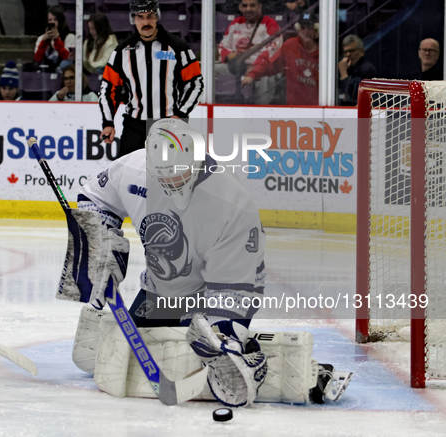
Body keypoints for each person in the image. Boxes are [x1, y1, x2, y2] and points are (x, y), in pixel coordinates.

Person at [68, 118, 351, 406]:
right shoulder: (131, 169)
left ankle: (300, 371)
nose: (172, 183)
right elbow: (94, 198)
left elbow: (235, 284)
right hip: (161, 290)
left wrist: (222, 334)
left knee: (212, 352)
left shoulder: (230, 201)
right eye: (163, 177)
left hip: (219, 290)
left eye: (180, 174)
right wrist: (97, 246)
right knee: (126, 353)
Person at [98, 0, 204, 158]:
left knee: (169, 179)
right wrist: (108, 123)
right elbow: (108, 89)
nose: (146, 22)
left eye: (150, 16)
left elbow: (196, 83)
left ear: (157, 17)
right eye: (140, 17)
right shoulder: (121, 52)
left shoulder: (178, 48)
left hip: (169, 126)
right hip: (134, 128)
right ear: (133, 19)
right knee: (127, 178)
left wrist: (180, 114)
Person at [241, 13, 319, 106]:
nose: (306, 32)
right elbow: (271, 65)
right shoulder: (290, 46)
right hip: (293, 107)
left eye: (309, 27)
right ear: (298, 29)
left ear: (316, 29)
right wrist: (252, 75)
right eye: (302, 27)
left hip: (319, 108)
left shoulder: (326, 52)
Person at [217, 0, 283, 104]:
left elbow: (271, 53)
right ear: (240, 7)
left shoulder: (270, 24)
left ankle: (260, 112)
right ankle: (208, 105)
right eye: (245, 5)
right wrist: (230, 55)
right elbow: (222, 46)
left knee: (264, 78)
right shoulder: (235, 23)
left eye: (252, 5)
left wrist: (255, 67)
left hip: (261, 67)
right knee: (212, 70)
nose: (248, 9)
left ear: (260, 6)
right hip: (238, 66)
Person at [33, 5, 75, 73]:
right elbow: (37, 59)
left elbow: (68, 59)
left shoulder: (70, 37)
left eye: (55, 20)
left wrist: (57, 40)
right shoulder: (41, 38)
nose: (52, 22)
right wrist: (44, 42)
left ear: (61, 21)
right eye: (50, 20)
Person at [337, 35, 376, 106]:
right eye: (346, 52)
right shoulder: (347, 67)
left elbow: (352, 96)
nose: (348, 54)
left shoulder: (366, 69)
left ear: (361, 51)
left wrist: (343, 71)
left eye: (352, 51)